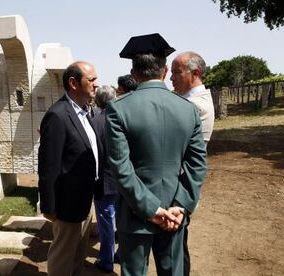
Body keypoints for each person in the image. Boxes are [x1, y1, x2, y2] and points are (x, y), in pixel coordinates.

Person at [105, 33, 207, 276]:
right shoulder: (188, 110)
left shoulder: (118, 110)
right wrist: (179, 207)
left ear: (134, 74)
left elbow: (121, 169)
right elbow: (197, 165)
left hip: (134, 214)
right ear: (163, 72)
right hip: (174, 215)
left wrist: (152, 210)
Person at [38, 61, 102, 276]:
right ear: (74, 83)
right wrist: (49, 206)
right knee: (62, 259)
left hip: (86, 199)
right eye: (91, 79)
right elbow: (48, 166)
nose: (96, 84)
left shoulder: (87, 113)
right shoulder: (57, 115)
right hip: (67, 203)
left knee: (78, 256)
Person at [171, 51, 215, 275]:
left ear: (195, 73)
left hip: (180, 186)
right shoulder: (191, 101)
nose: (171, 78)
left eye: (176, 72)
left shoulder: (195, 106)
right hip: (181, 182)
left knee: (175, 252)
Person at [91, 85, 117, 273]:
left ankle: (106, 261)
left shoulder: (94, 123)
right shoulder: (124, 119)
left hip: (104, 183)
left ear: (98, 101)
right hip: (125, 182)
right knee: (123, 220)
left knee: (106, 224)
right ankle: (121, 253)